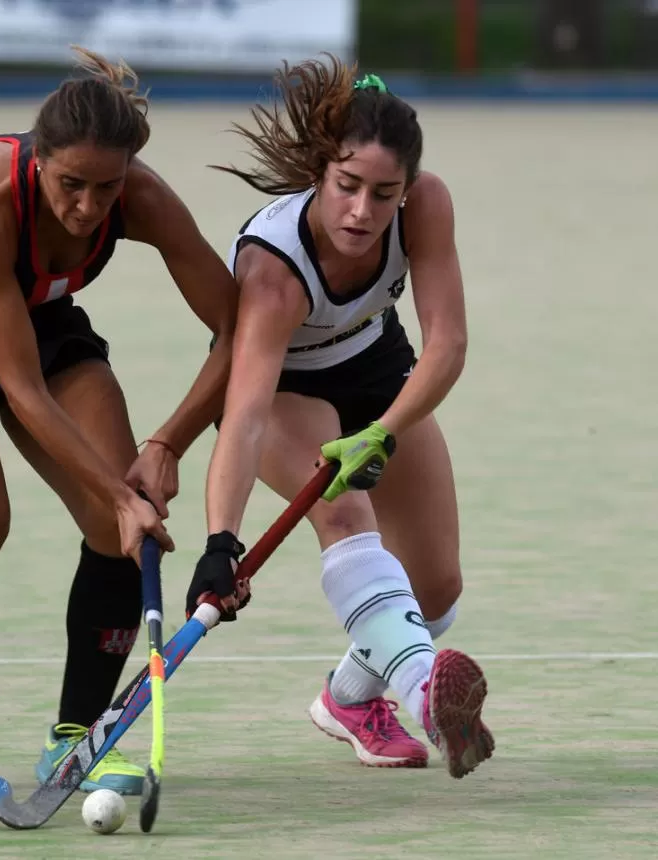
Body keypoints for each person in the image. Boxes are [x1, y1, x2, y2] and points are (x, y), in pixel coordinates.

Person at [0, 47, 238, 796]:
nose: (89, 206)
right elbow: (21, 389)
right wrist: (124, 495)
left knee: (122, 530)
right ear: (37, 160)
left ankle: (78, 736)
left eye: (106, 186)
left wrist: (166, 445)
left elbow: (238, 329)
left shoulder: (141, 199)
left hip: (43, 325)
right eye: (70, 185)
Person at [186, 58, 494, 777]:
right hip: (284, 391)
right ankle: (428, 698)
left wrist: (383, 430)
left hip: (379, 373)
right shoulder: (274, 272)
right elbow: (246, 415)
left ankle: (349, 699)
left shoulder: (428, 205)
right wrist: (219, 541)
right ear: (320, 174)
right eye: (347, 187)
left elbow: (446, 344)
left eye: (384, 195)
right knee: (348, 515)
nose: (362, 211)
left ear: (408, 188)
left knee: (435, 590)